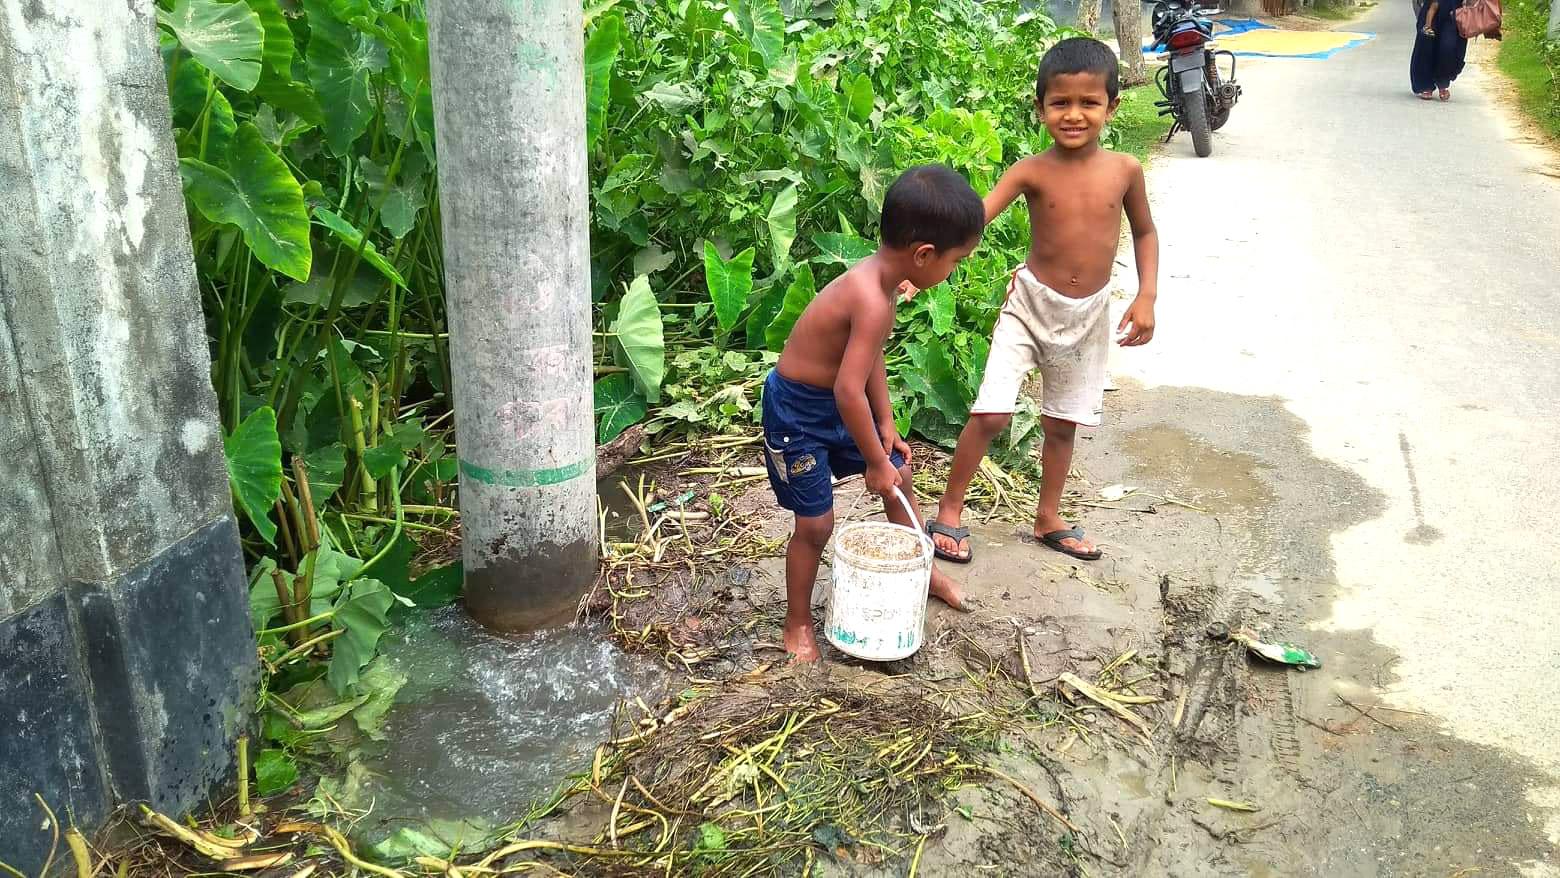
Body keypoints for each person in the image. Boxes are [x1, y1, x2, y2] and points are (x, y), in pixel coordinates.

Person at [924, 37, 1159, 565]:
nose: (1074, 115)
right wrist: (922, 269)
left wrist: (1146, 295)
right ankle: (950, 509)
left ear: (1112, 107)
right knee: (991, 411)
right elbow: (975, 219)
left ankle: (1048, 516)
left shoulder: (1125, 170)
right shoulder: (1031, 170)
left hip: (1089, 315)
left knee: (1062, 423)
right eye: (1060, 103)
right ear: (1040, 108)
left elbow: (1144, 232)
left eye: (1089, 102)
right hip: (1029, 308)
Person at [763, 165, 980, 662]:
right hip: (798, 414)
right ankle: (797, 622)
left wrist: (885, 426)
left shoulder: (883, 284)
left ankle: (923, 573)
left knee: (900, 472)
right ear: (923, 255)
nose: (952, 271)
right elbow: (846, 390)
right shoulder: (872, 296)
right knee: (816, 525)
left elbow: (869, 356)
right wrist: (873, 463)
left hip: (839, 401)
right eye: (955, 262)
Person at [1411, 0, 1467, 100]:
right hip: (1431, 5)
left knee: (1448, 47)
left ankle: (1443, 83)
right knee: (1426, 46)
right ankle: (1426, 85)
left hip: (1455, 8)